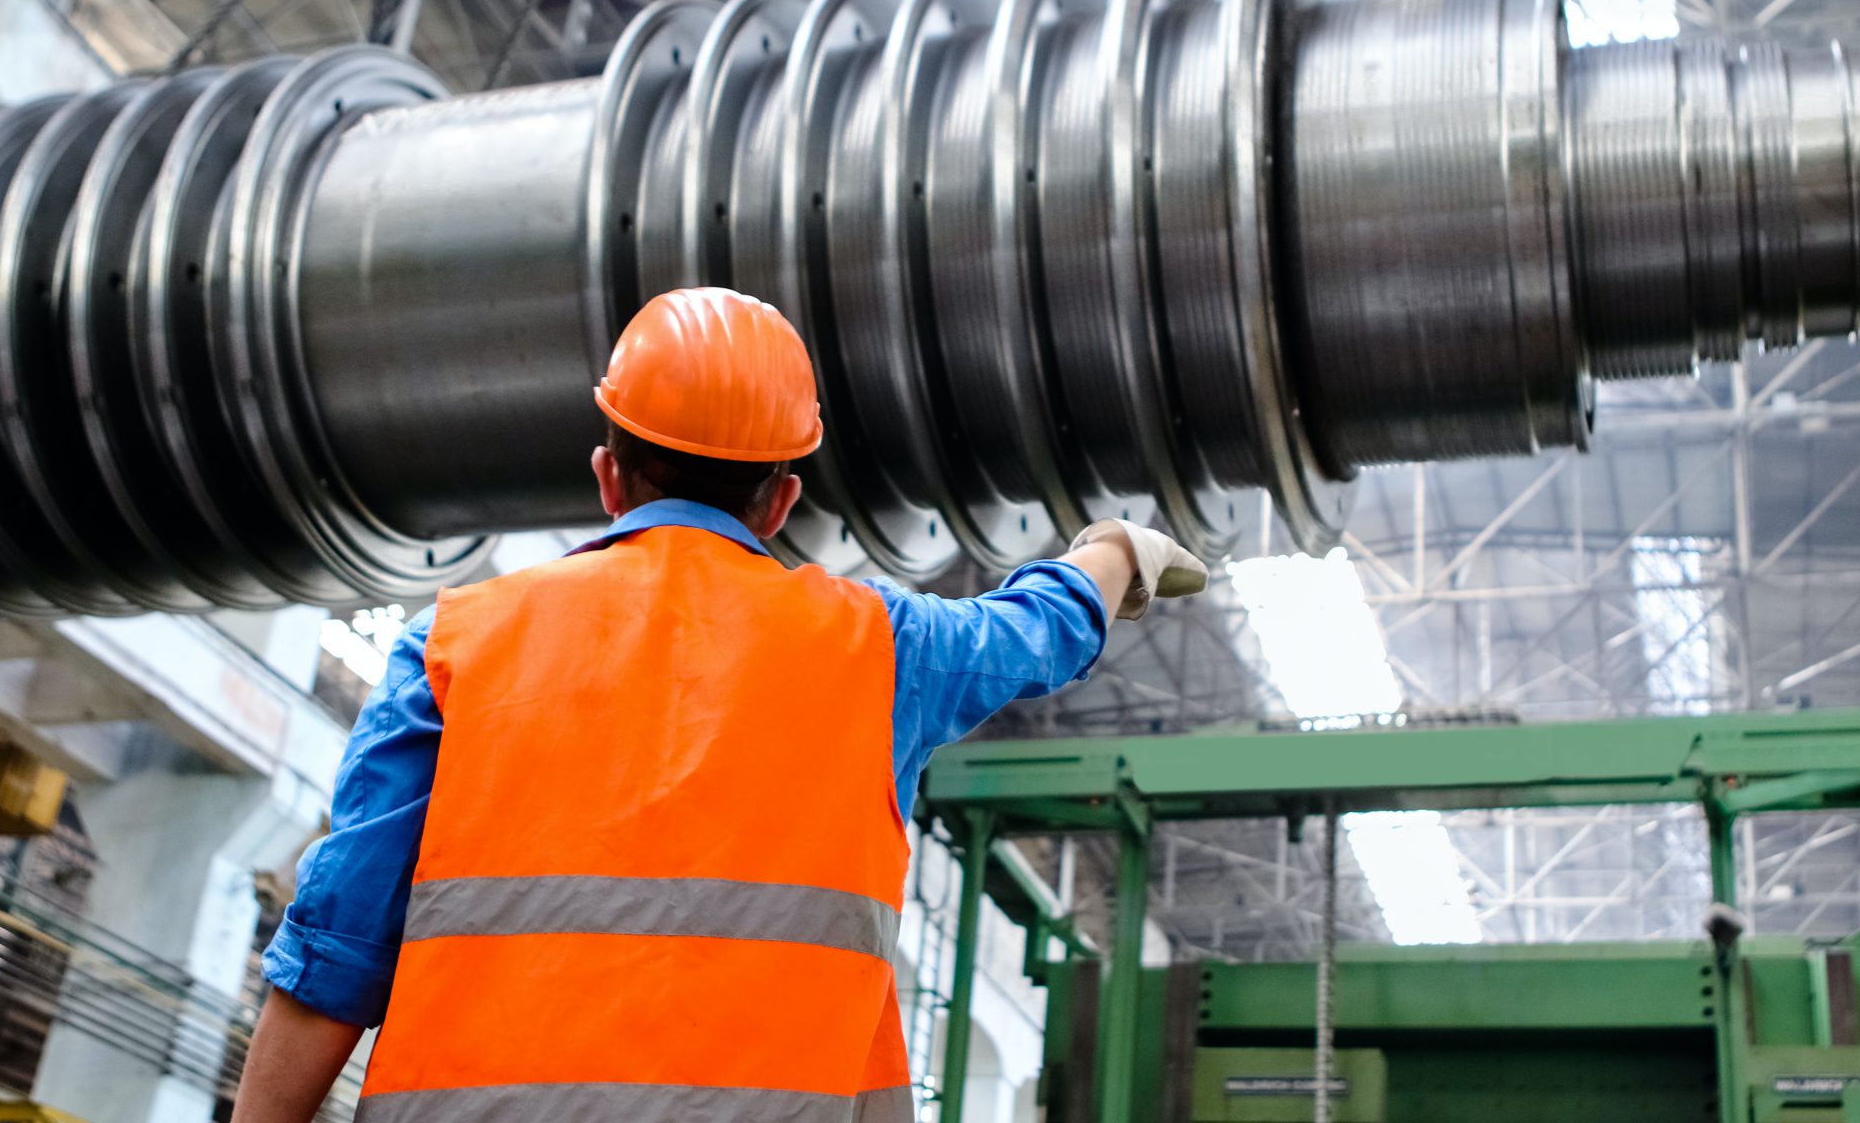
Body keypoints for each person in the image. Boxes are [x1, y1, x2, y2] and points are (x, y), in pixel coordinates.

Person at [230, 286, 1207, 1123]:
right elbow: (1036, 630)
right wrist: (1110, 552)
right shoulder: (884, 649)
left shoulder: (454, 646)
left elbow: (332, 957)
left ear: (607, 474)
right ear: (780, 502)